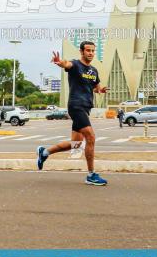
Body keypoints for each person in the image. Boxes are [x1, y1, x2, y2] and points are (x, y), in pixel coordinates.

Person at [37, 41, 109, 186]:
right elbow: (66, 64)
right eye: (88, 50)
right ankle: (91, 175)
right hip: (76, 106)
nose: (91, 53)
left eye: (93, 51)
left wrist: (99, 90)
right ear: (82, 52)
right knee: (91, 136)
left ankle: (44, 152)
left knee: (76, 144)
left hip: (86, 107)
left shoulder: (94, 71)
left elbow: (95, 87)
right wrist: (60, 62)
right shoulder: (76, 65)